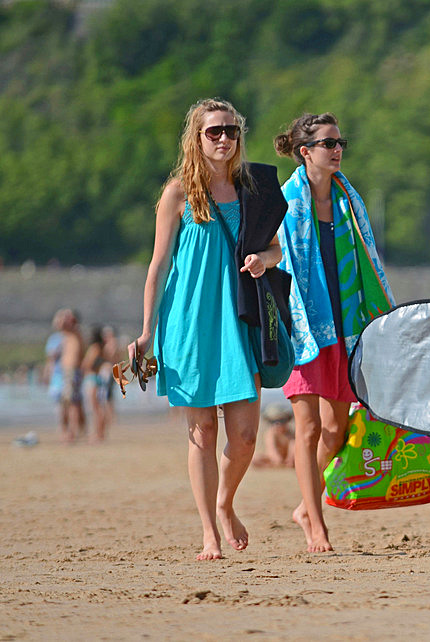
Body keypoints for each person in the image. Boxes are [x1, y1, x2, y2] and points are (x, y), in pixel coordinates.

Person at [129, 98, 284, 560]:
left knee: (246, 436)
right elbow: (158, 267)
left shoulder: (252, 190)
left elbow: (276, 249)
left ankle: (225, 502)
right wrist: (144, 332)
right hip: (189, 322)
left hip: (239, 318)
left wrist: (263, 259)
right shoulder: (178, 193)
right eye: (213, 131)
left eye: (231, 131)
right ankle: (208, 532)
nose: (224, 139)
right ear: (195, 138)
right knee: (201, 431)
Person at [274, 112, 394, 553]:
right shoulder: (285, 201)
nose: (337, 149)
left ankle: (305, 505)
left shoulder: (348, 201)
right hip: (302, 327)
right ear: (305, 152)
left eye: (340, 142)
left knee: (336, 430)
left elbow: (369, 261)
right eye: (328, 143)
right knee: (306, 429)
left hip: (347, 328)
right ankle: (315, 522)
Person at [58, 309, 86, 444]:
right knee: (71, 402)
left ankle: (72, 433)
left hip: (73, 371)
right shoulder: (68, 334)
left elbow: (59, 324)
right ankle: (76, 431)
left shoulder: (75, 331)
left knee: (72, 403)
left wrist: (65, 315)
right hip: (67, 372)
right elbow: (58, 325)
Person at [81, 326, 111, 442]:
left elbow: (88, 364)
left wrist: (83, 367)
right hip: (97, 377)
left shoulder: (94, 348)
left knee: (95, 408)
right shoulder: (102, 348)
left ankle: (97, 434)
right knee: (99, 407)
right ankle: (100, 433)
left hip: (92, 377)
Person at [253, 403, 296, 468]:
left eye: (282, 421)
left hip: (288, 458)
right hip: (273, 458)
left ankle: (282, 464)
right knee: (255, 459)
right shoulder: (271, 433)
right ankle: (277, 465)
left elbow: (293, 448)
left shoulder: (290, 433)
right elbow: (272, 450)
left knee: (294, 444)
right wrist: (277, 459)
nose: (278, 424)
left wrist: (290, 458)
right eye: (274, 422)